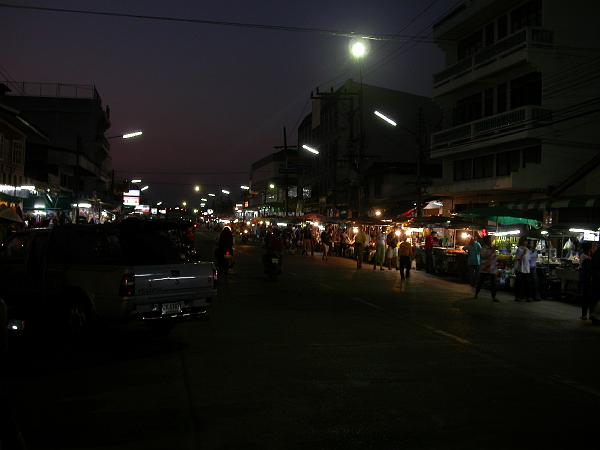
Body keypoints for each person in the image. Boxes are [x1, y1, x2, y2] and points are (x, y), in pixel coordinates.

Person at [475, 235, 499, 302]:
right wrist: (492, 251)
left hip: (492, 268)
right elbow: (484, 256)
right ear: (486, 241)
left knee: (493, 283)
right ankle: (476, 293)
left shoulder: (491, 248)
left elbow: (494, 258)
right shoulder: (484, 248)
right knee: (481, 282)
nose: (490, 241)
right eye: (489, 240)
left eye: (490, 240)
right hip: (485, 268)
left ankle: (494, 297)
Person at [579, 242, 594, 321]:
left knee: (585, 297)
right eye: (592, 247)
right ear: (589, 248)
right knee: (589, 298)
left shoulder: (583, 256)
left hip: (584, 280)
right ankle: (590, 314)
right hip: (587, 280)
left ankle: (584, 315)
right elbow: (589, 270)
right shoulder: (586, 258)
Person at [514, 236, 530, 301]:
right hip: (520, 268)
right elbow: (518, 259)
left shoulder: (527, 249)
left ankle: (525, 296)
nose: (526, 242)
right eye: (524, 241)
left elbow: (528, 259)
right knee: (519, 283)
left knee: (526, 283)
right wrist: (524, 253)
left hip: (526, 269)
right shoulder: (519, 249)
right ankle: (518, 296)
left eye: (526, 241)